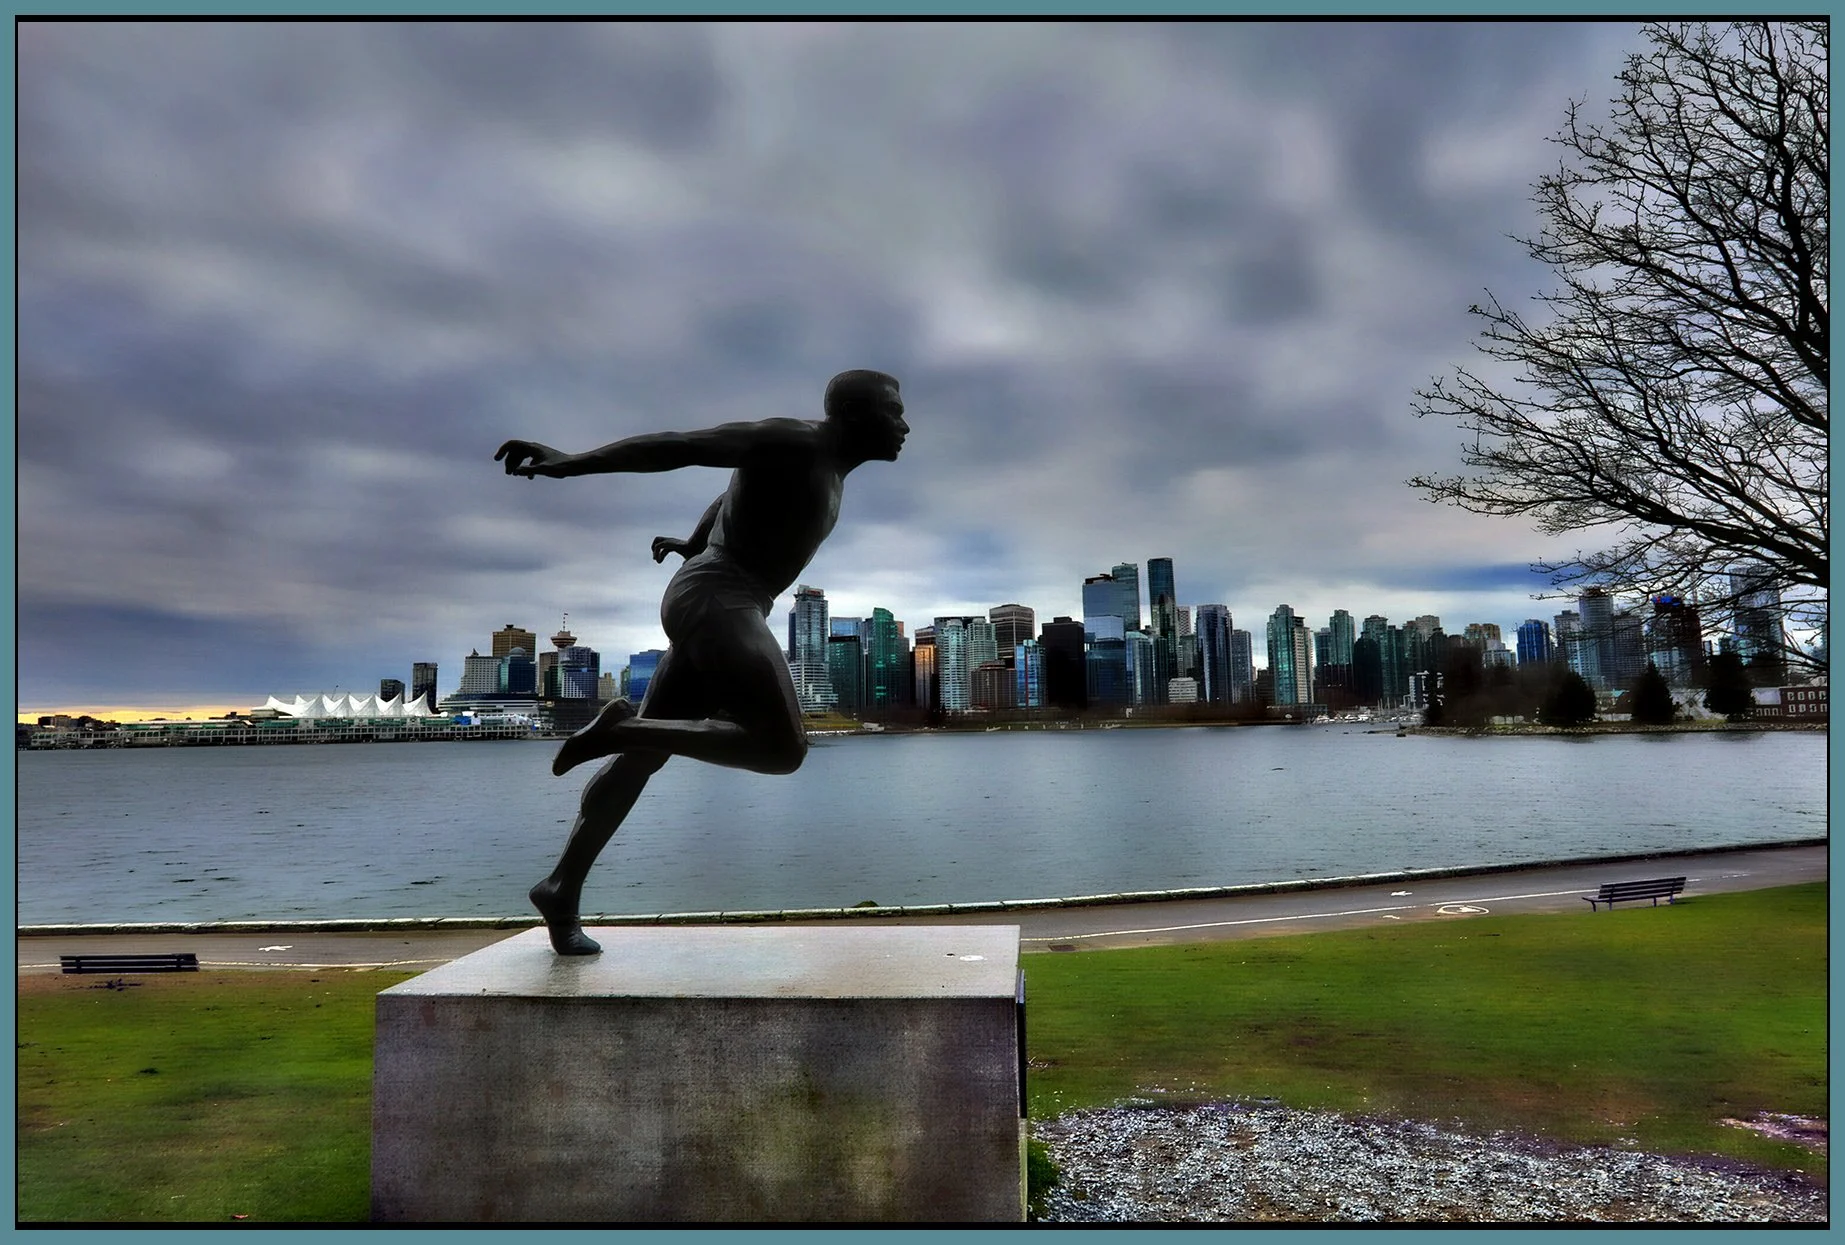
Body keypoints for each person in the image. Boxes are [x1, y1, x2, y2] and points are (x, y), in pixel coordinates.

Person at [494, 370, 908, 954]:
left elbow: (729, 498)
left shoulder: (828, 472)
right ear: (854, 415)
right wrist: (570, 462)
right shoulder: (794, 441)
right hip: (718, 597)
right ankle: (621, 727)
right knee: (782, 749)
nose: (904, 425)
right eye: (892, 411)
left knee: (640, 761)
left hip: (719, 597)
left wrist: (693, 542)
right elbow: (680, 446)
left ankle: (561, 889)